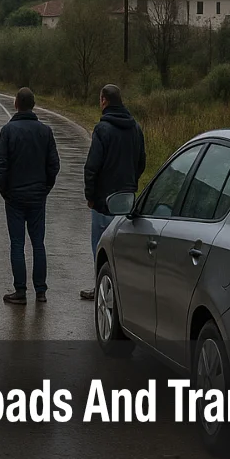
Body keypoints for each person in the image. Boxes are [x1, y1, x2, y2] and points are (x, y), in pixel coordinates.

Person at [0, 87, 60, 305]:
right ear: (33, 104)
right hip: (37, 194)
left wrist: (5, 191)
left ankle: (20, 291)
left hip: (15, 195)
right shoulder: (45, 131)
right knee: (38, 243)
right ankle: (40, 291)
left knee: (17, 243)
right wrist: (45, 187)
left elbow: (0, 165)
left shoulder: (8, 131)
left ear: (16, 104)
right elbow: (54, 165)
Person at [81, 84, 147, 300]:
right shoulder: (135, 127)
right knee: (123, 246)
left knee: (100, 246)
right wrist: (131, 183)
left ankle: (102, 287)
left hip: (103, 201)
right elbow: (141, 162)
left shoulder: (102, 129)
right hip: (127, 199)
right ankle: (122, 290)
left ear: (104, 101)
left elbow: (92, 166)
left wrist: (90, 196)